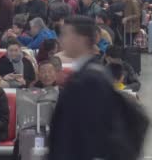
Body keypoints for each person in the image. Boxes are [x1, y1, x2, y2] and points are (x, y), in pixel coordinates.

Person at [48, 16, 119, 160]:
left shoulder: (90, 79)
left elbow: (88, 133)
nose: (61, 39)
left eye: (66, 34)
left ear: (81, 39)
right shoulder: (84, 73)